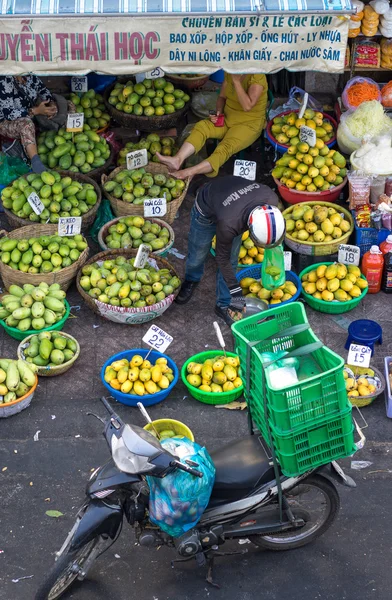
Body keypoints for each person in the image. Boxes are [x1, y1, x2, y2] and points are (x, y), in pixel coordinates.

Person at [176, 175, 285, 326]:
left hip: (230, 202)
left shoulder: (271, 199)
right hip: (207, 209)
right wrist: (236, 292)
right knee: (198, 254)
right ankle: (191, 279)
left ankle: (223, 304)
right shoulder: (230, 224)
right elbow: (222, 258)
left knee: (233, 259)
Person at [156, 72, 268, 179]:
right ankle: (178, 159)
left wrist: (236, 82)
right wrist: (218, 113)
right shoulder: (230, 72)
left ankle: (189, 172)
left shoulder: (257, 76)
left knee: (225, 147)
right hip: (227, 118)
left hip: (248, 124)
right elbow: (222, 97)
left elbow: (247, 106)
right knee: (202, 126)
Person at [0, 75, 57, 173]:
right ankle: (36, 163)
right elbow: (8, 113)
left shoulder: (31, 77)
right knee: (26, 124)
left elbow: (44, 91)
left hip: (32, 114)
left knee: (69, 105)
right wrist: (35, 111)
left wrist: (51, 104)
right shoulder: (4, 81)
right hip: (6, 122)